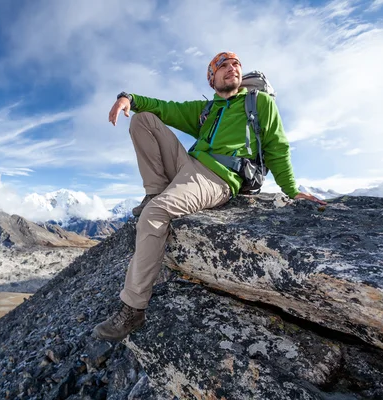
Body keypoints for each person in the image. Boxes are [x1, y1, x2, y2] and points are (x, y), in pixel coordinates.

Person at [93, 51, 326, 342]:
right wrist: (128, 97)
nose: (232, 69)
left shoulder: (260, 103)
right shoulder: (207, 109)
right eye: (223, 66)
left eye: (236, 64)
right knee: (143, 120)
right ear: (211, 77)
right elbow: (165, 107)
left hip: (217, 178)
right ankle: (154, 192)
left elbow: (277, 147)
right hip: (188, 165)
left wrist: (292, 191)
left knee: (155, 215)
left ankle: (132, 309)